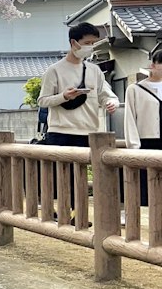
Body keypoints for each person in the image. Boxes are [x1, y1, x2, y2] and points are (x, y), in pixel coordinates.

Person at [38, 22, 118, 215]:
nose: (91, 47)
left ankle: (79, 215)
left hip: (87, 131)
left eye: (94, 43)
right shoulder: (54, 70)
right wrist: (64, 96)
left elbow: (105, 93)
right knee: (60, 177)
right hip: (60, 131)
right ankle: (60, 214)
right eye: (87, 42)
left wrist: (112, 102)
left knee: (80, 176)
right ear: (74, 42)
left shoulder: (95, 71)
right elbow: (42, 100)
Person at [124, 47, 162, 207]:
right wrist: (134, 148)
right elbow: (129, 119)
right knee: (147, 189)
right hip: (147, 143)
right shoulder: (135, 89)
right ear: (152, 64)